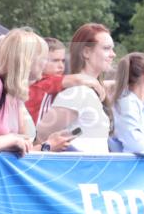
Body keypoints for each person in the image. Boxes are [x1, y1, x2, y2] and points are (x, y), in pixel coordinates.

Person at [0, 29, 77, 154]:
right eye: (43, 58)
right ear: (26, 60)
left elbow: (22, 149)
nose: (44, 64)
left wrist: (48, 145)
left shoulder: (13, 92)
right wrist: (13, 139)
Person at [37, 23, 115, 153]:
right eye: (106, 48)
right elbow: (41, 137)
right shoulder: (77, 93)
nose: (113, 54)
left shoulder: (87, 91)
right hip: (76, 170)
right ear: (86, 52)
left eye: (112, 49)